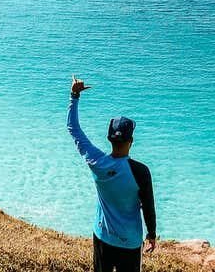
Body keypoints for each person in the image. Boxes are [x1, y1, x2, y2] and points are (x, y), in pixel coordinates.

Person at [67, 75, 157, 272]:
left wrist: (74, 96)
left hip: (102, 237)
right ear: (131, 141)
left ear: (109, 139)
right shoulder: (140, 171)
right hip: (130, 243)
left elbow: (73, 129)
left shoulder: (96, 162)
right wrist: (151, 234)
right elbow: (148, 205)